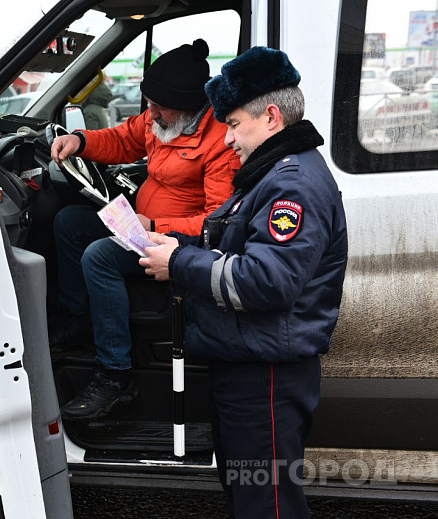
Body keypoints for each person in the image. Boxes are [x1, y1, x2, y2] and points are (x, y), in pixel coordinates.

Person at [140, 47, 348, 518]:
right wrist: (175, 243)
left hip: (266, 374)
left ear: (271, 117)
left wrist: (178, 264)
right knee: (249, 498)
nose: (228, 139)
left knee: (267, 504)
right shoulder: (270, 175)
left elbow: (267, 282)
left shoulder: (291, 184)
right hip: (247, 361)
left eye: (233, 124)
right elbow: (232, 243)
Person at [49, 39, 240, 421]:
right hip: (140, 226)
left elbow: (218, 221)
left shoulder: (220, 141)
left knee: (99, 256)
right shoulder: (159, 120)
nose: (149, 114)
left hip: (175, 242)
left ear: (188, 107)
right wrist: (80, 141)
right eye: (149, 104)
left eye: (158, 107)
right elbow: (123, 139)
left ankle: (115, 375)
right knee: (69, 222)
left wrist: (157, 226)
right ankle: (82, 320)